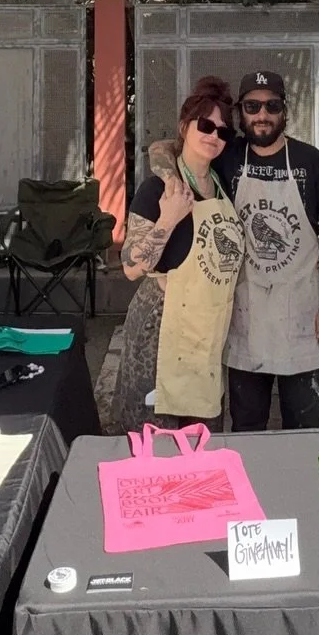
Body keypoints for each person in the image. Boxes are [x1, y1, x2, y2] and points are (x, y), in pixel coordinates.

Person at [152, 68, 319, 431]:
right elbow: (163, 148)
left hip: (301, 316)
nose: (262, 115)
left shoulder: (310, 162)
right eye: (253, 106)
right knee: (246, 429)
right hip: (245, 320)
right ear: (240, 113)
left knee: (305, 428)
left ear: (284, 111)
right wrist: (170, 180)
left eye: (272, 105)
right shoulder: (227, 154)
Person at [110, 76, 245, 434]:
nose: (214, 135)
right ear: (185, 127)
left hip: (205, 333)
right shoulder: (157, 188)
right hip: (160, 331)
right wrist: (168, 219)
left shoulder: (223, 184)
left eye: (223, 132)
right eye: (205, 125)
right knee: (156, 441)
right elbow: (130, 267)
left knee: (201, 440)